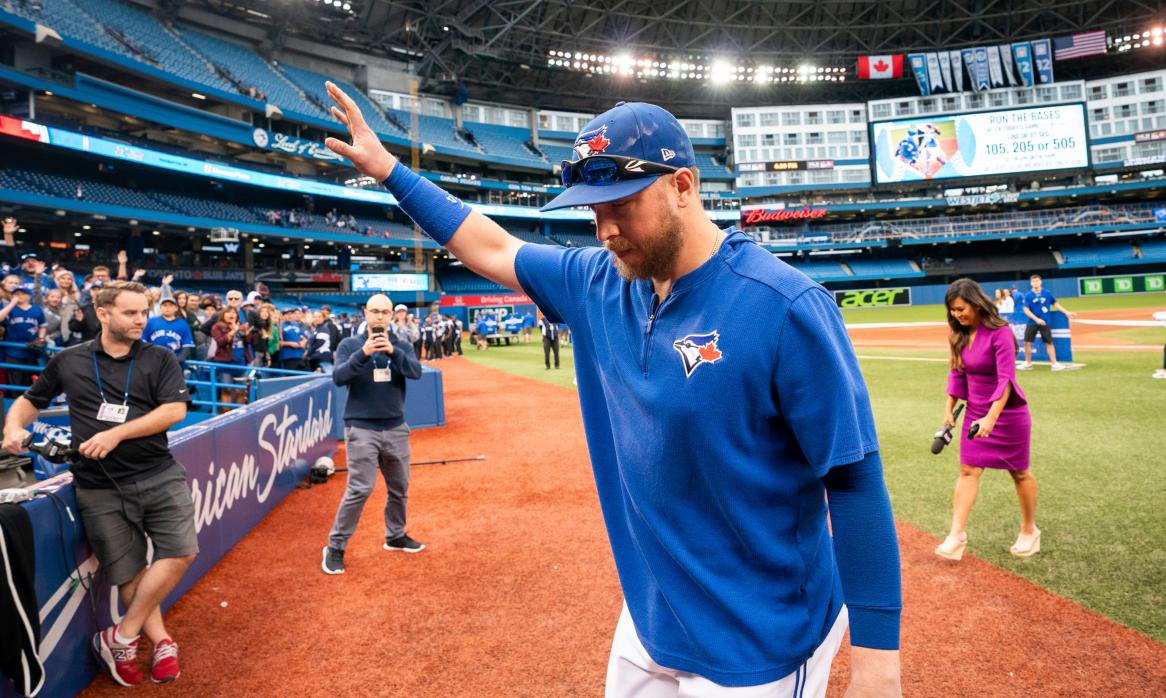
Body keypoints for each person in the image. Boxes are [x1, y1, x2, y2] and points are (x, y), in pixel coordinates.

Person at [324, 84, 901, 695]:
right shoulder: (598, 282)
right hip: (652, 615)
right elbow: (491, 245)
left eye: (621, 205)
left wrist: (876, 664)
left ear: (682, 187)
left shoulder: (784, 306)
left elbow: (854, 479)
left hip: (759, 637)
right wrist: (388, 170)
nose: (605, 229)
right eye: (593, 211)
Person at [2, 281, 196, 686]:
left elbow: (174, 410)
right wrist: (12, 426)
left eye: (144, 311)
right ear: (102, 313)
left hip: (158, 474)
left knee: (180, 553)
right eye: (131, 313)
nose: (141, 319)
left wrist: (117, 433)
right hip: (98, 487)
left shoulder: (159, 357)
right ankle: (159, 641)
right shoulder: (69, 360)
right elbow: (29, 400)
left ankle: (120, 635)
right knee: (129, 574)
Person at [936, 279, 1039, 561]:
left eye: (961, 309)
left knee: (1019, 473)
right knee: (969, 470)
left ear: (975, 302)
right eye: (952, 311)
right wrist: (949, 409)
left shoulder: (1000, 332)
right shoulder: (957, 335)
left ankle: (1029, 530)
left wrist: (991, 417)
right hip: (975, 411)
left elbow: (1006, 378)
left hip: (1008, 414)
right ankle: (956, 535)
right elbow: (956, 373)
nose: (957, 315)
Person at [322, 293, 424, 575]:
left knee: (400, 487)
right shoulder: (350, 344)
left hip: (395, 426)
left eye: (385, 312)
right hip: (361, 427)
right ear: (365, 313)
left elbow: (415, 372)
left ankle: (395, 535)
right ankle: (336, 546)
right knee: (360, 488)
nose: (379, 317)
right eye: (375, 311)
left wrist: (392, 352)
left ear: (392, 316)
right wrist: (364, 353)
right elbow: (339, 377)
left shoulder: (401, 345)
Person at [1018, 274, 1075, 371]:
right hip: (1032, 322)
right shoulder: (1028, 295)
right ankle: (1028, 363)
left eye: (1037, 281)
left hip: (1045, 322)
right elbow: (1026, 310)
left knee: (1049, 342)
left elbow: (1055, 303)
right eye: (1033, 281)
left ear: (1041, 282)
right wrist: (1037, 319)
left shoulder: (1047, 293)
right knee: (1027, 343)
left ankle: (1054, 364)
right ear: (1031, 283)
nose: (1035, 283)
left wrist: (1066, 312)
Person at [0, 287, 46, 394]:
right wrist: (12, 304)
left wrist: (41, 338)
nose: (18, 296)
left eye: (21, 294)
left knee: (29, 380)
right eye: (16, 294)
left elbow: (43, 325)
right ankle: (14, 404)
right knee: (15, 381)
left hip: (31, 350)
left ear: (29, 296)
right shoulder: (10, 308)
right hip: (13, 351)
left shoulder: (36, 309)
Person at [142, 297, 194, 364]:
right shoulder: (151, 322)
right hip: (153, 359)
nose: (167, 308)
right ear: (160, 307)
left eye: (170, 305)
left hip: (174, 360)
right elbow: (143, 341)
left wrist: (180, 359)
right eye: (165, 305)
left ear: (176, 308)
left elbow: (187, 345)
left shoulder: (183, 324)